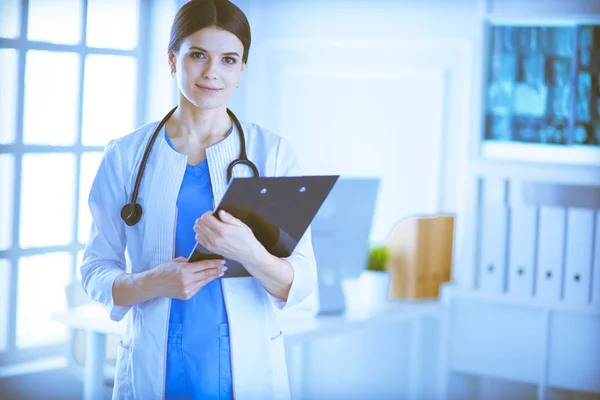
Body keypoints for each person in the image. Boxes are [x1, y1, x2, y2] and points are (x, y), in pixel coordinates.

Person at [80, 0, 317, 399]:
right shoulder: (125, 155)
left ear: (242, 70)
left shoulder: (272, 154)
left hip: (243, 366)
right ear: (173, 60)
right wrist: (150, 281)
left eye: (228, 59)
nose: (212, 72)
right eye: (197, 55)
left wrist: (250, 252)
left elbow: (302, 279)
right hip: (155, 364)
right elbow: (95, 271)